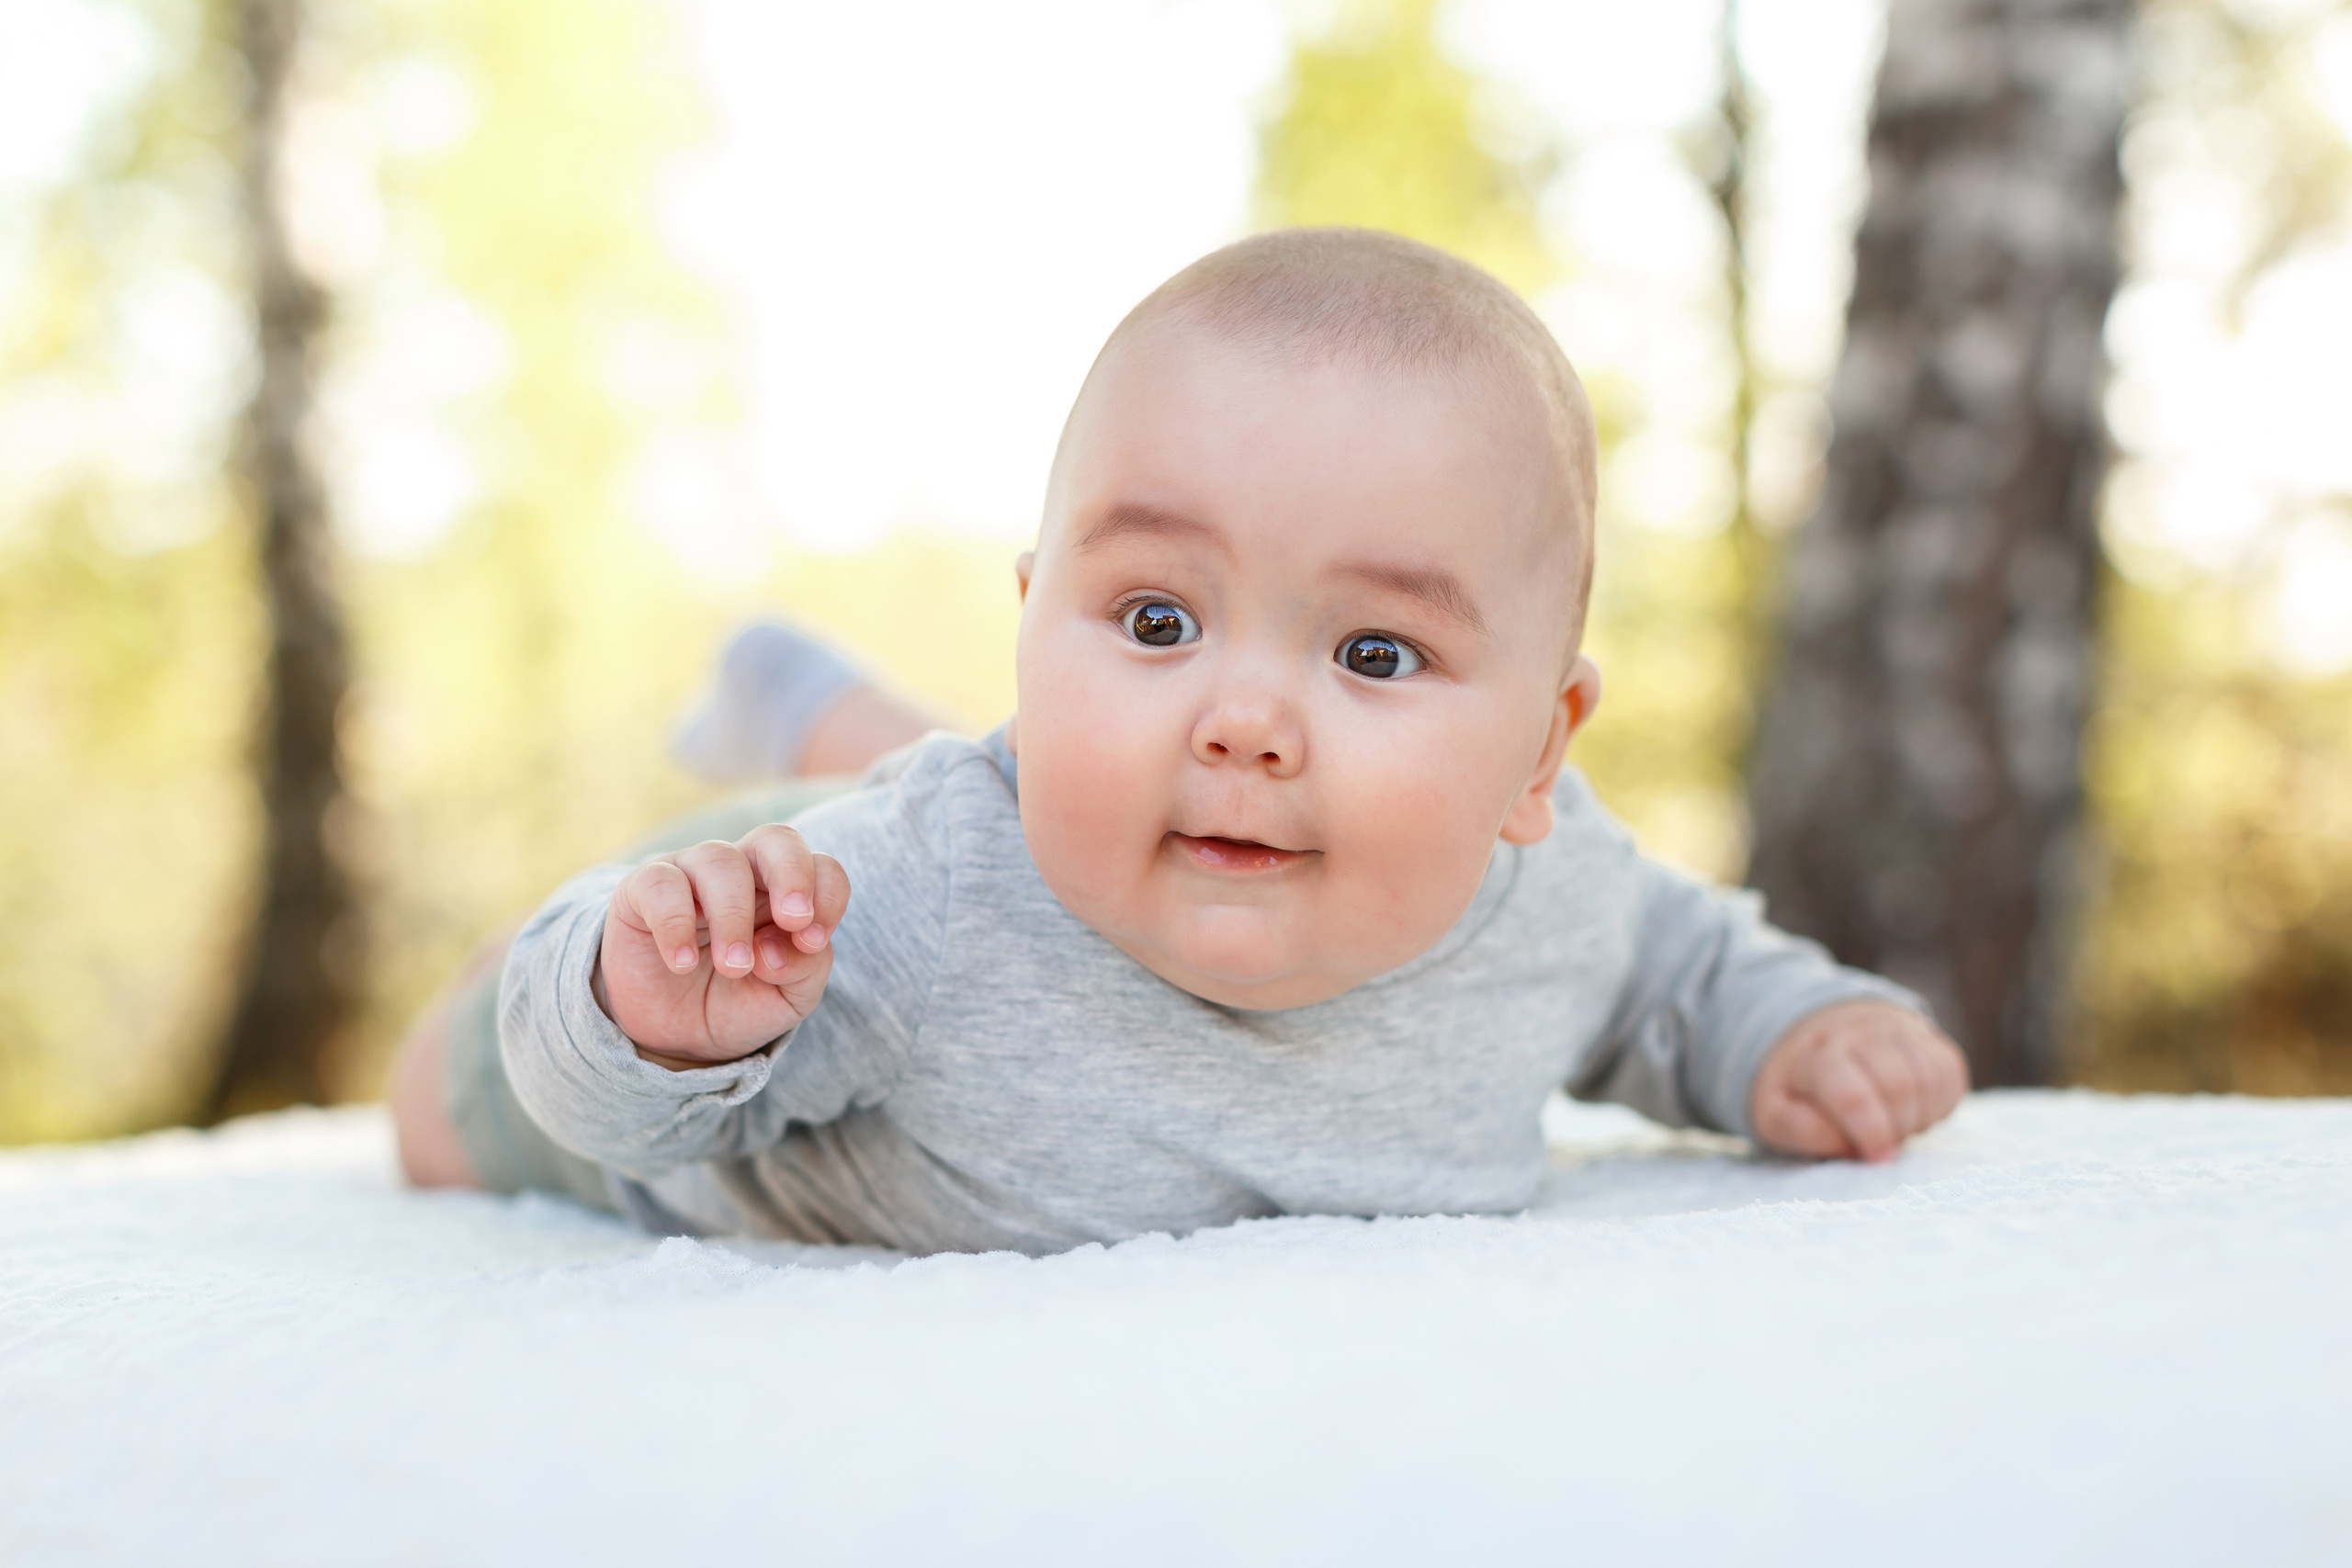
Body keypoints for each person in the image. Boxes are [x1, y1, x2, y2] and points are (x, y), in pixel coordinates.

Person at [390, 228, 1968, 1254]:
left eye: (1372, 651)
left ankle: (805, 686)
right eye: (1155, 620)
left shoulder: (1561, 896)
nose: (1245, 721)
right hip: (752, 939)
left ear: (1538, 761)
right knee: (456, 1096)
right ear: (1032, 625)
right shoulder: (907, 901)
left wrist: (1796, 1037)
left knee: (1060, 782)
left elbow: (1686, 972)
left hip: (1027, 811)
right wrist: (637, 1009)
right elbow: (581, 1096)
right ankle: (774, 739)